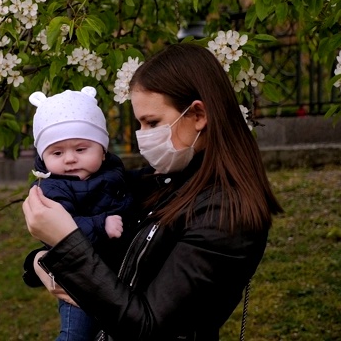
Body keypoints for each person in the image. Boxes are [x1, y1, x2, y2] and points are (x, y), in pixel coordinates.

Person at [22, 43, 283, 340]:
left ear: (198, 115)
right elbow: (109, 250)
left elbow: (148, 327)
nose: (143, 137)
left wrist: (68, 244)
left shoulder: (223, 215)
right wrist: (39, 261)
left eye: (153, 123)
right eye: (140, 124)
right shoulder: (166, 182)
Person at [23, 86, 135, 341]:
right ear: (43, 157)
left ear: (103, 150)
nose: (70, 159)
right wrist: (99, 224)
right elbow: (57, 228)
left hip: (116, 275)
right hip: (78, 279)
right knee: (76, 335)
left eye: (81, 149)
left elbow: (133, 185)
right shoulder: (52, 187)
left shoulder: (112, 172)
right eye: (57, 152)